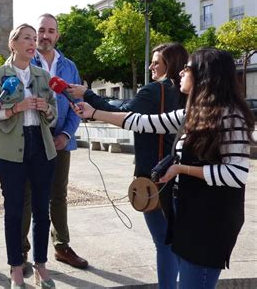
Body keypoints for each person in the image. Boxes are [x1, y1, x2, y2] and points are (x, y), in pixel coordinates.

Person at [74, 48, 254, 289]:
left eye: (187, 68)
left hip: (210, 221)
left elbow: (236, 174)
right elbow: (142, 122)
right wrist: (94, 112)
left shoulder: (230, 116)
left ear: (204, 75)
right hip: (190, 215)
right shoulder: (194, 113)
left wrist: (181, 169)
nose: (180, 72)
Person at [69, 42, 188, 287]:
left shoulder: (154, 90)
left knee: (163, 242)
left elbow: (125, 114)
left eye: (157, 62)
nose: (151, 66)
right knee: (177, 241)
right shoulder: (190, 93)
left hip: (155, 175)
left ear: (170, 64)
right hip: (183, 173)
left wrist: (87, 96)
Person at [0, 23, 57, 288]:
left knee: (42, 210)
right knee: (13, 210)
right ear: (13, 43)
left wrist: (44, 108)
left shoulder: (42, 75)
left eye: (34, 38)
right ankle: (16, 268)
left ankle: (41, 266)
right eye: (26, 37)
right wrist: (17, 108)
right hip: (10, 152)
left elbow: (53, 115)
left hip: (41, 146)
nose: (33, 41)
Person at [22, 13, 87, 270]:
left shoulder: (69, 66)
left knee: (58, 195)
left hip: (61, 141)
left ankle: (62, 246)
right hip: (31, 139)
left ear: (58, 35)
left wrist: (66, 134)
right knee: (27, 194)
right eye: (41, 30)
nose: (45, 35)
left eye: (51, 31)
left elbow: (76, 104)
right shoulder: (23, 60)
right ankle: (22, 250)